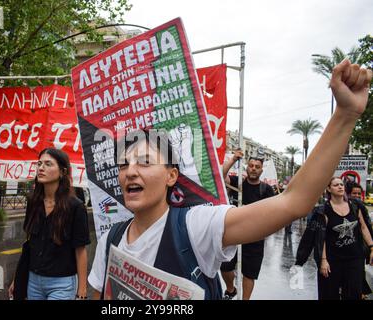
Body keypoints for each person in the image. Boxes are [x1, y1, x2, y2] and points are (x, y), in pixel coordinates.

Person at [88, 59, 372, 300]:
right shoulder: (110, 241)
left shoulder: (196, 226)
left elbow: (293, 202)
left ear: (172, 176)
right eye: (124, 164)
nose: (131, 171)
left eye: (145, 162)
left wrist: (345, 115)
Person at [8, 148, 90, 300]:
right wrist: (17, 278)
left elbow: (80, 250)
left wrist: (82, 290)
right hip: (33, 282)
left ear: (62, 172)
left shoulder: (76, 207)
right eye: (39, 164)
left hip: (62, 284)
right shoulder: (33, 202)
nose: (41, 168)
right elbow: (28, 245)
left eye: (48, 164)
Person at [296, 177, 373, 300]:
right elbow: (322, 238)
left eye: (341, 184)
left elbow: (363, 228)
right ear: (328, 189)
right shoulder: (323, 211)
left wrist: (371, 247)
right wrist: (323, 260)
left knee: (353, 294)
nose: (340, 187)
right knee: (329, 294)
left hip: (354, 259)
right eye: (336, 185)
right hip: (333, 261)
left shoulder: (354, 206)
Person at [220, 151, 275, 300]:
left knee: (249, 273)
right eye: (251, 165)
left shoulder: (267, 190)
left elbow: (273, 213)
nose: (253, 168)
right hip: (233, 234)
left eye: (257, 166)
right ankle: (231, 290)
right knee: (225, 266)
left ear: (261, 170)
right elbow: (220, 176)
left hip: (255, 237)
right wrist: (232, 160)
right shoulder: (238, 183)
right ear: (246, 168)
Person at [345, 182, 373, 299]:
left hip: (360, 248)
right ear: (347, 194)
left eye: (358, 193)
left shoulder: (362, 208)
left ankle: (359, 292)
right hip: (346, 248)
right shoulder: (344, 208)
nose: (356, 196)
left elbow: (366, 227)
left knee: (359, 272)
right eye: (354, 193)